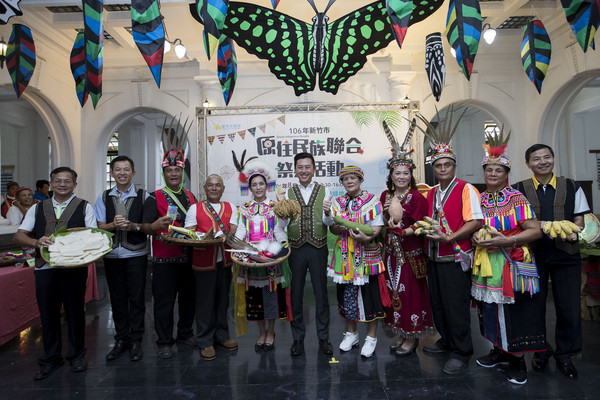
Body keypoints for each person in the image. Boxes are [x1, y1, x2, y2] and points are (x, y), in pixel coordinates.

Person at [471, 133, 545, 385]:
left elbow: (535, 230)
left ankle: (517, 360)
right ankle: (499, 351)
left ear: (506, 174)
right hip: (486, 265)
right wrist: (475, 240)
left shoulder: (516, 198)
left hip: (511, 263)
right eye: (489, 169)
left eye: (498, 170)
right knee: (489, 310)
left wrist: (507, 240)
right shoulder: (479, 200)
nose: (493, 174)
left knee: (516, 312)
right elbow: (473, 229)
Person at [415, 108, 483, 374]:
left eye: (447, 165)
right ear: (434, 169)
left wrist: (450, 237)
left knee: (456, 306)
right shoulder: (431, 193)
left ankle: (462, 350)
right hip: (433, 257)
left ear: (454, 166)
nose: (443, 169)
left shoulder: (466, 189)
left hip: (455, 257)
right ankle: (447, 340)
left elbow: (475, 222)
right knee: (439, 303)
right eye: (438, 166)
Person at [513, 144, 590, 379]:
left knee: (568, 308)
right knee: (533, 307)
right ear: (528, 163)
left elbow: (580, 218)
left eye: (547, 157)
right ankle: (540, 352)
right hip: (532, 256)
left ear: (553, 159)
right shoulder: (518, 189)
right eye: (536, 159)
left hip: (566, 255)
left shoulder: (572, 186)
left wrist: (575, 228)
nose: (543, 162)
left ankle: (566, 355)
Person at [13, 167, 96, 380]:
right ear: (50, 184)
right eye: (57, 181)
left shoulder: (84, 207)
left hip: (73, 270)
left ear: (74, 185)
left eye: (67, 181)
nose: (62, 185)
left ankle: (77, 356)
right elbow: (20, 236)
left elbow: (93, 237)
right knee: (48, 315)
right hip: (45, 268)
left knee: (75, 313)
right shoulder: (37, 208)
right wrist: (35, 241)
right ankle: (51, 359)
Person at [379, 121, 434, 357]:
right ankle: (402, 334)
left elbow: (423, 226)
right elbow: (383, 226)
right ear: (391, 174)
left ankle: (413, 338)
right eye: (397, 173)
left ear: (411, 175)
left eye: (406, 173)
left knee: (411, 295)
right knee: (395, 294)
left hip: (411, 257)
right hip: (391, 255)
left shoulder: (417, 198)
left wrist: (405, 231)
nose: (401, 176)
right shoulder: (385, 195)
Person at [142, 126, 196, 359]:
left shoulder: (191, 196)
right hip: (164, 259)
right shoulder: (153, 197)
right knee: (163, 303)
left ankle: (185, 333)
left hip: (189, 257)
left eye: (177, 170)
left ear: (182, 172)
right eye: (169, 170)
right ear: (164, 173)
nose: (174, 174)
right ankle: (164, 340)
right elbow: (143, 226)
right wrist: (154, 227)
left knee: (188, 300)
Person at [276, 152, 334, 357]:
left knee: (321, 294)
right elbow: (280, 226)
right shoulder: (287, 194)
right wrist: (285, 244)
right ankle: (297, 339)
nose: (304, 170)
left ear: (314, 169)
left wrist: (327, 213)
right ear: (295, 169)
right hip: (296, 249)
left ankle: (324, 338)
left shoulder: (325, 191)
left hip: (318, 248)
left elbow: (329, 223)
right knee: (295, 295)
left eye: (307, 167)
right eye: (300, 167)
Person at [328, 165, 386, 358]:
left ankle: (371, 338)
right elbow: (334, 229)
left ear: (361, 180)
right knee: (347, 296)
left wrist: (366, 237)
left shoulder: (371, 201)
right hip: (345, 257)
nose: (350, 181)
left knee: (369, 297)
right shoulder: (338, 203)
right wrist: (340, 227)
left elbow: (377, 227)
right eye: (346, 179)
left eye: (354, 178)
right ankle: (351, 334)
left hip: (367, 255)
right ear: (342, 183)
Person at [94, 155, 148, 362]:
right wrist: (113, 225)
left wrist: (133, 225)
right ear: (112, 173)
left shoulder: (144, 196)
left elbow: (148, 225)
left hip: (136, 254)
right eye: (118, 170)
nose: (122, 173)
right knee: (116, 298)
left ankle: (136, 340)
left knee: (136, 298)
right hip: (112, 255)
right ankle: (120, 339)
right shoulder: (104, 197)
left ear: (133, 173)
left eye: (126, 170)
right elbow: (99, 226)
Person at [233, 160, 290, 352]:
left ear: (267, 186)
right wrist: (237, 246)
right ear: (250, 187)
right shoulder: (244, 208)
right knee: (254, 297)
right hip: (250, 258)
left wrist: (283, 246)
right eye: (254, 184)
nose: (258, 187)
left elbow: (279, 230)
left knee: (271, 295)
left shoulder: (275, 206)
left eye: (261, 184)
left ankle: (271, 332)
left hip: (270, 258)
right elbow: (241, 230)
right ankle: (261, 331)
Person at [185, 174, 239, 361]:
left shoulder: (230, 207)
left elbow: (234, 229)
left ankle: (221, 336)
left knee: (223, 300)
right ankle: (205, 340)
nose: (214, 188)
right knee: (205, 302)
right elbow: (188, 233)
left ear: (223, 189)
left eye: (218, 185)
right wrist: (206, 237)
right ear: (205, 188)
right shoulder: (195, 208)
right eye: (210, 185)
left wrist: (225, 234)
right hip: (203, 262)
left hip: (224, 261)